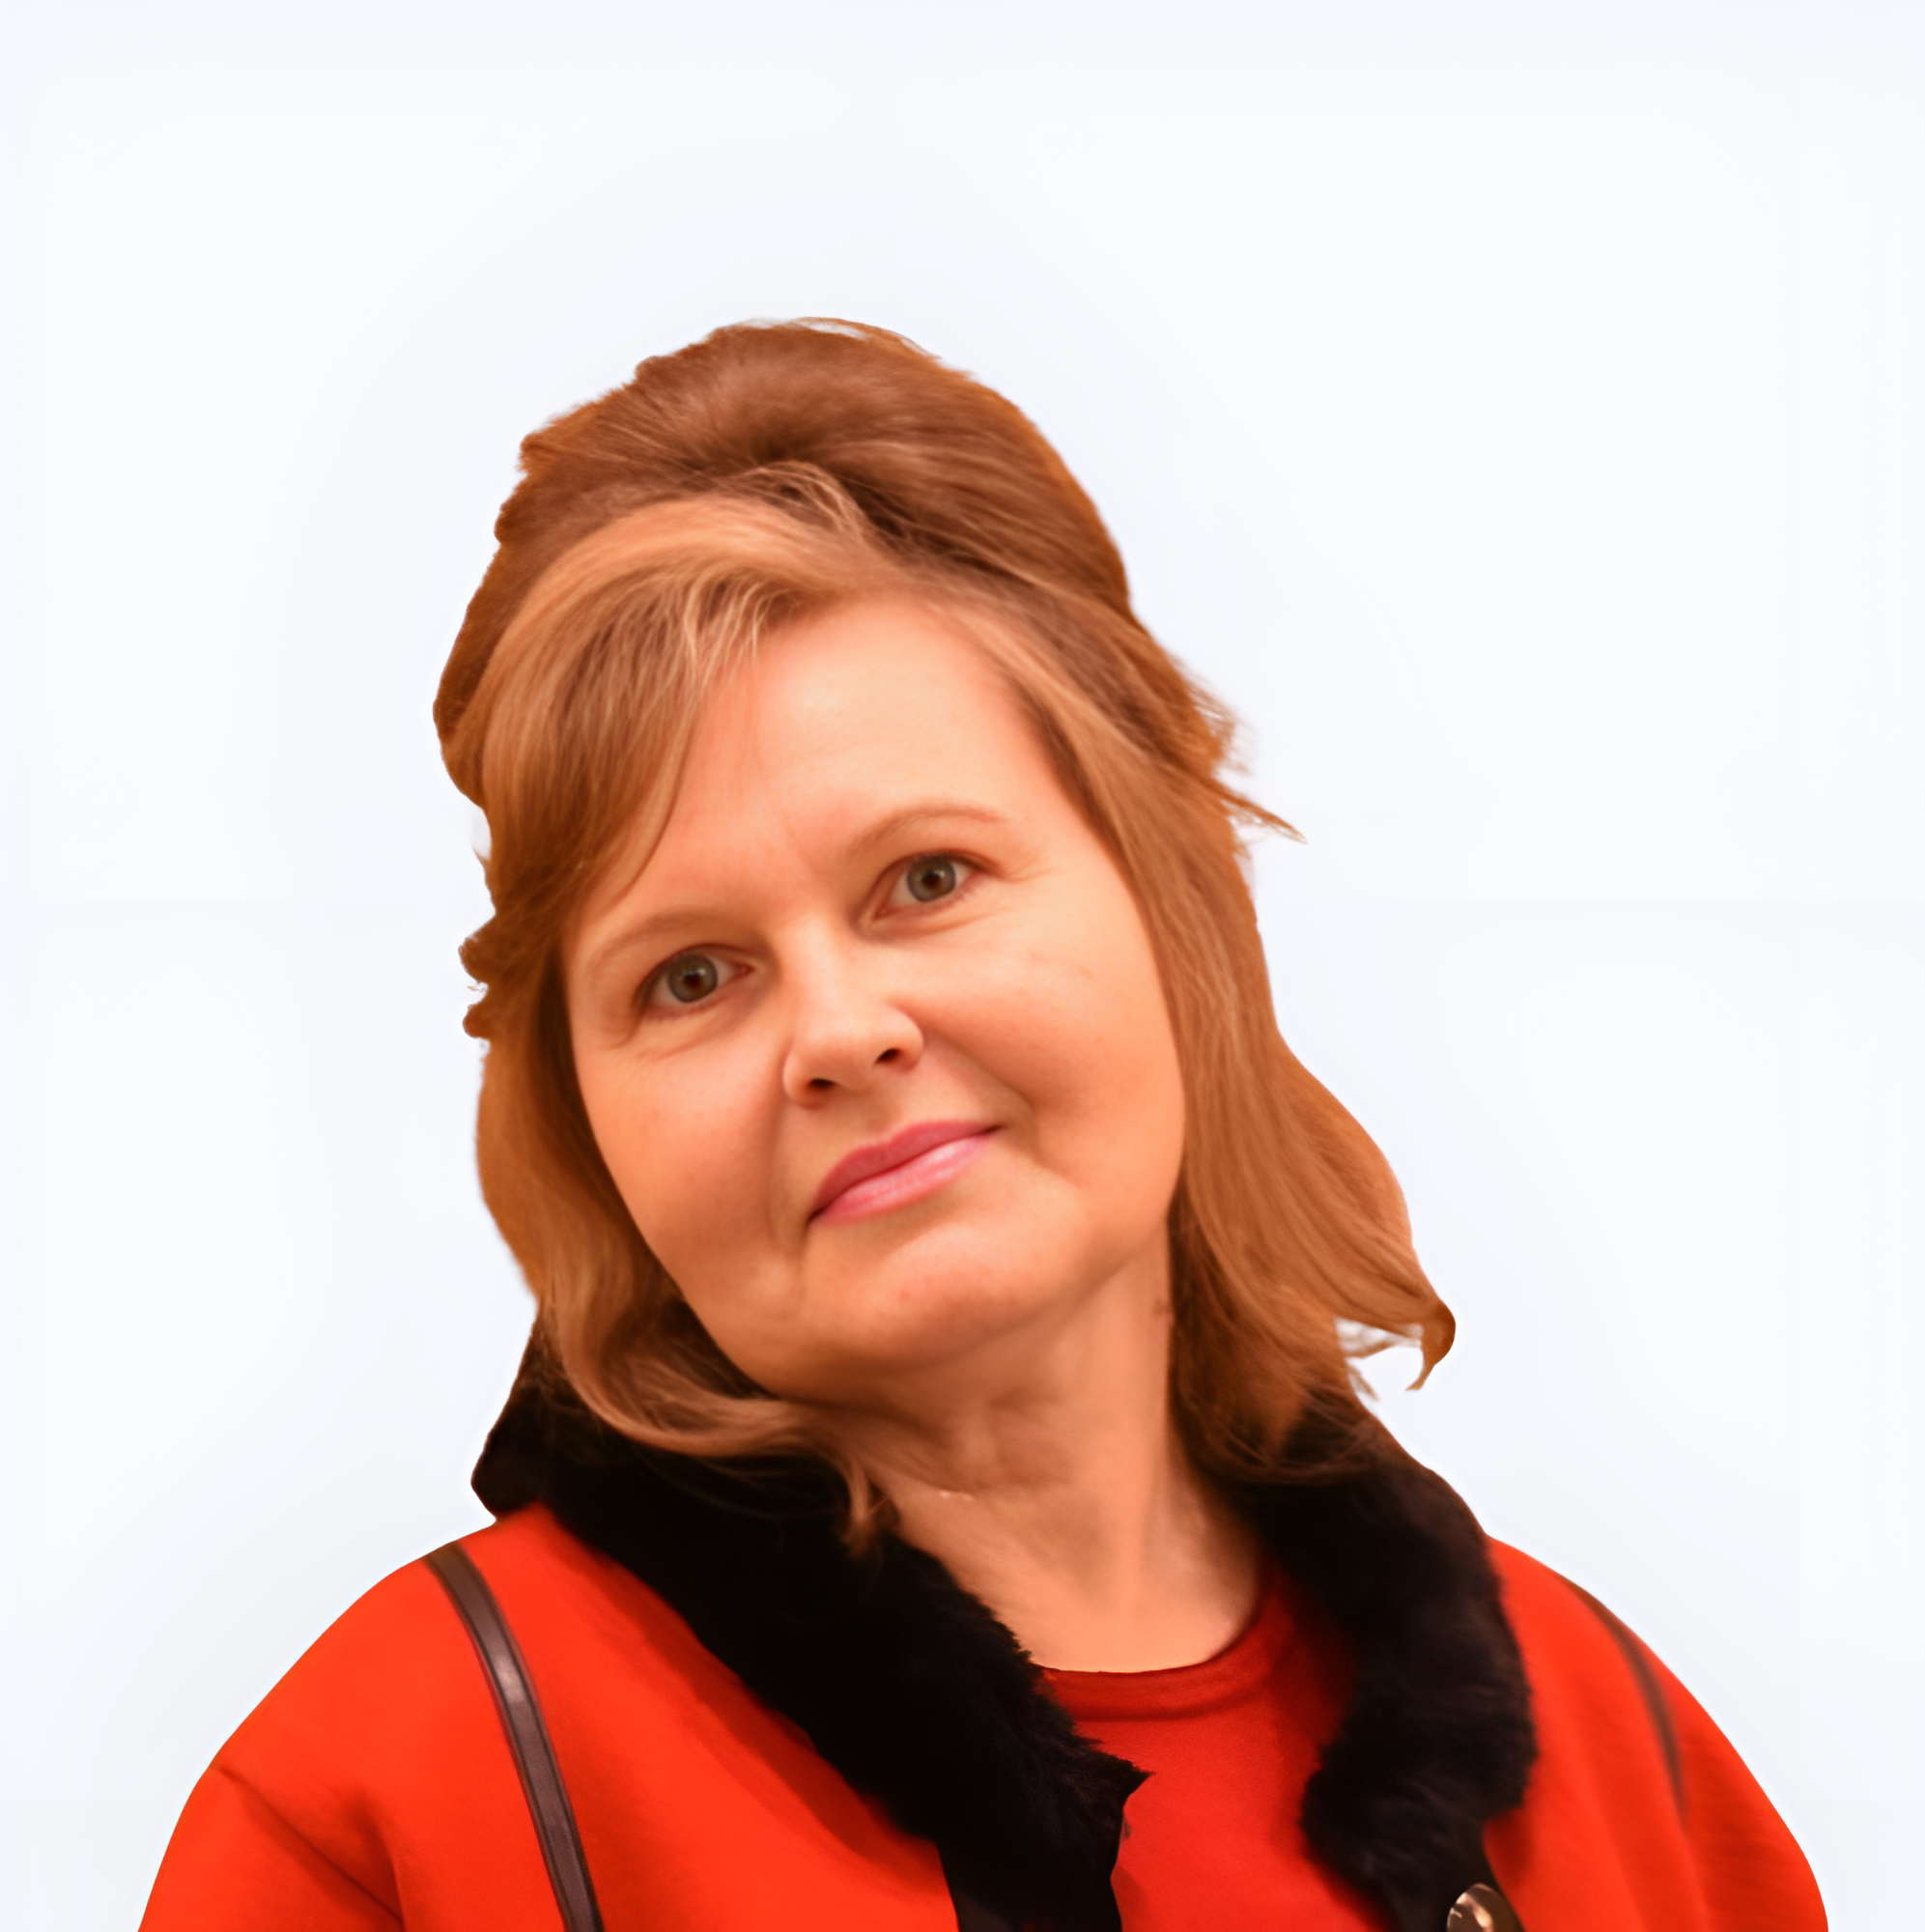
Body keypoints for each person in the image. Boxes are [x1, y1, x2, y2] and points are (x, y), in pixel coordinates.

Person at [140, 320, 1825, 1932]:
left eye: (927, 878)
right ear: (584, 1126)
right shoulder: (384, 1813)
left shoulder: (1627, 1759)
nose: (838, 1033)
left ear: (1170, 896)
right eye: (690, 975)